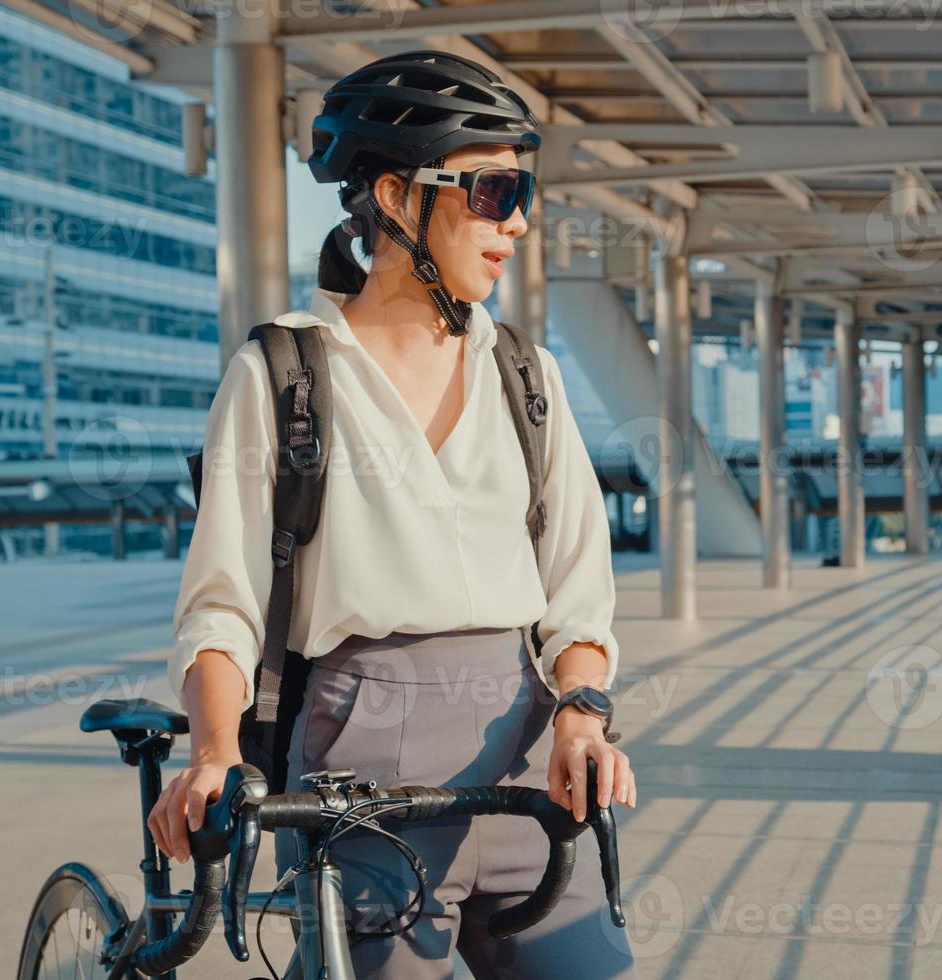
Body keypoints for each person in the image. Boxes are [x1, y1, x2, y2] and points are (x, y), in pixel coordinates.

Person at [153, 52, 638, 979]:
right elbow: (221, 605)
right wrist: (217, 754)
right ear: (397, 196)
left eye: (523, 191)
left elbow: (578, 593)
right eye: (496, 191)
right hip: (359, 764)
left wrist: (581, 715)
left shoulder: (526, 376)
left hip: (528, 756)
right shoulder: (285, 374)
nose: (519, 221)